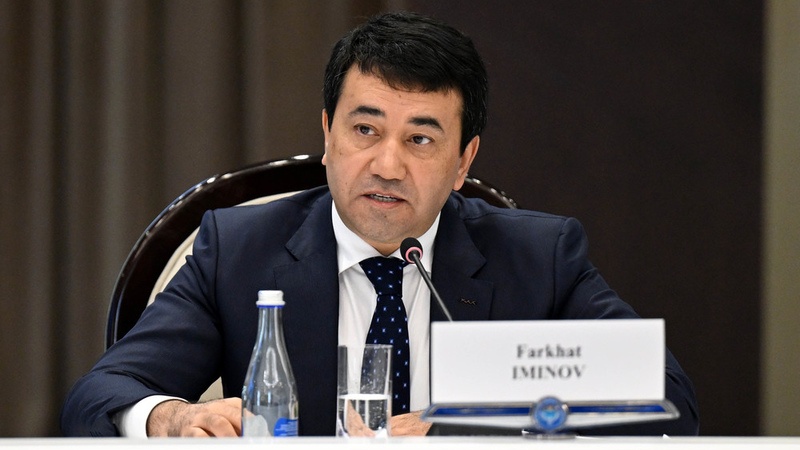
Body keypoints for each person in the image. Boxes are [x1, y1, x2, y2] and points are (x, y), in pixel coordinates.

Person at [61, 11, 698, 437]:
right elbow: (101, 393)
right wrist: (169, 418)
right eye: (365, 129)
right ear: (327, 135)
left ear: (463, 161)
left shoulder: (538, 257)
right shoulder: (239, 250)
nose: (387, 166)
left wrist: (474, 427)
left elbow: (667, 399)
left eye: (420, 139)